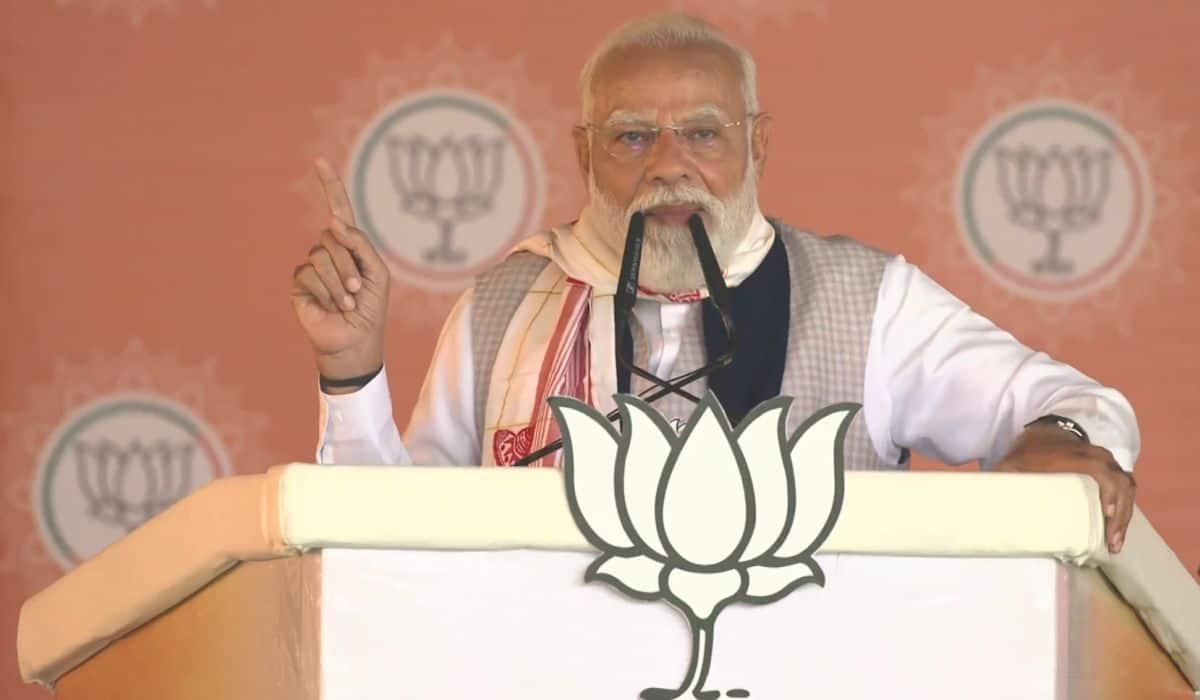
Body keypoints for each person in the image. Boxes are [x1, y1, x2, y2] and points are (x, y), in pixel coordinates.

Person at [289, 13, 1139, 553]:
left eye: (702, 132)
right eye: (630, 139)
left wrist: (1060, 437)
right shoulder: (505, 307)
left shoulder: (868, 299)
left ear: (757, 146)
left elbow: (1076, 404)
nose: (668, 167)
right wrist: (353, 370)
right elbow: (390, 544)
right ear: (583, 153)